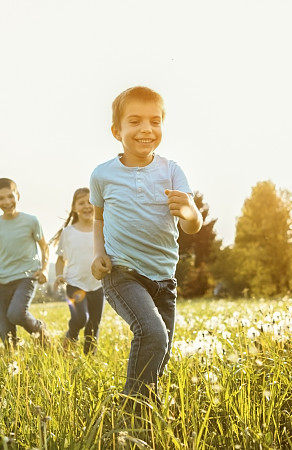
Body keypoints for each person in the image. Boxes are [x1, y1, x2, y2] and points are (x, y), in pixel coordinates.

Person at [89, 86, 203, 401]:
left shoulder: (172, 170)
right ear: (117, 130)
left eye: (155, 121)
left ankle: (138, 412)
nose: (146, 129)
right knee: (152, 335)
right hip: (122, 272)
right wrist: (98, 254)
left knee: (159, 353)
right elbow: (98, 220)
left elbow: (192, 225)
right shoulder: (102, 175)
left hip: (164, 278)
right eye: (135, 121)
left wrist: (189, 211)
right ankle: (132, 415)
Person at [0, 178, 50, 350]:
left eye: (10, 196)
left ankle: (39, 329)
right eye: (1, 198)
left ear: (18, 195)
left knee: (16, 313)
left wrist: (45, 269)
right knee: (6, 333)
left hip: (26, 277)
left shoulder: (31, 221)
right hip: (2, 282)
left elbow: (45, 248)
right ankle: (14, 365)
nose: (7, 202)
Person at [50, 187, 103, 355]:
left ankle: (89, 359)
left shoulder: (103, 229)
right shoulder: (68, 233)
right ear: (74, 208)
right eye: (81, 203)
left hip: (97, 285)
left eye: (90, 202)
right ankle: (70, 339)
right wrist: (59, 275)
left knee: (93, 326)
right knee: (80, 318)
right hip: (75, 283)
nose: (87, 206)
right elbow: (60, 259)